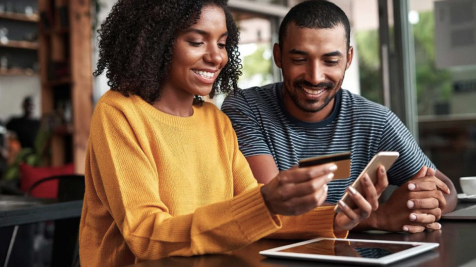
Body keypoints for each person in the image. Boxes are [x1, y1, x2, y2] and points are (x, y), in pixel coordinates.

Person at [79, 0, 386, 265]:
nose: (217, 57)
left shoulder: (215, 120)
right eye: (197, 42)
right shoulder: (119, 113)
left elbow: (254, 214)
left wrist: (333, 218)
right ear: (156, 43)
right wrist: (265, 203)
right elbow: (146, 236)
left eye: (222, 43)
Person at [222, 0, 457, 234]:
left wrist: (420, 204)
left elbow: (447, 190)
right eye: (299, 59)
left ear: (349, 59)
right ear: (279, 56)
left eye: (331, 61)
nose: (315, 77)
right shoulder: (246, 109)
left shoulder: (374, 121)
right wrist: (379, 217)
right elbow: (269, 209)